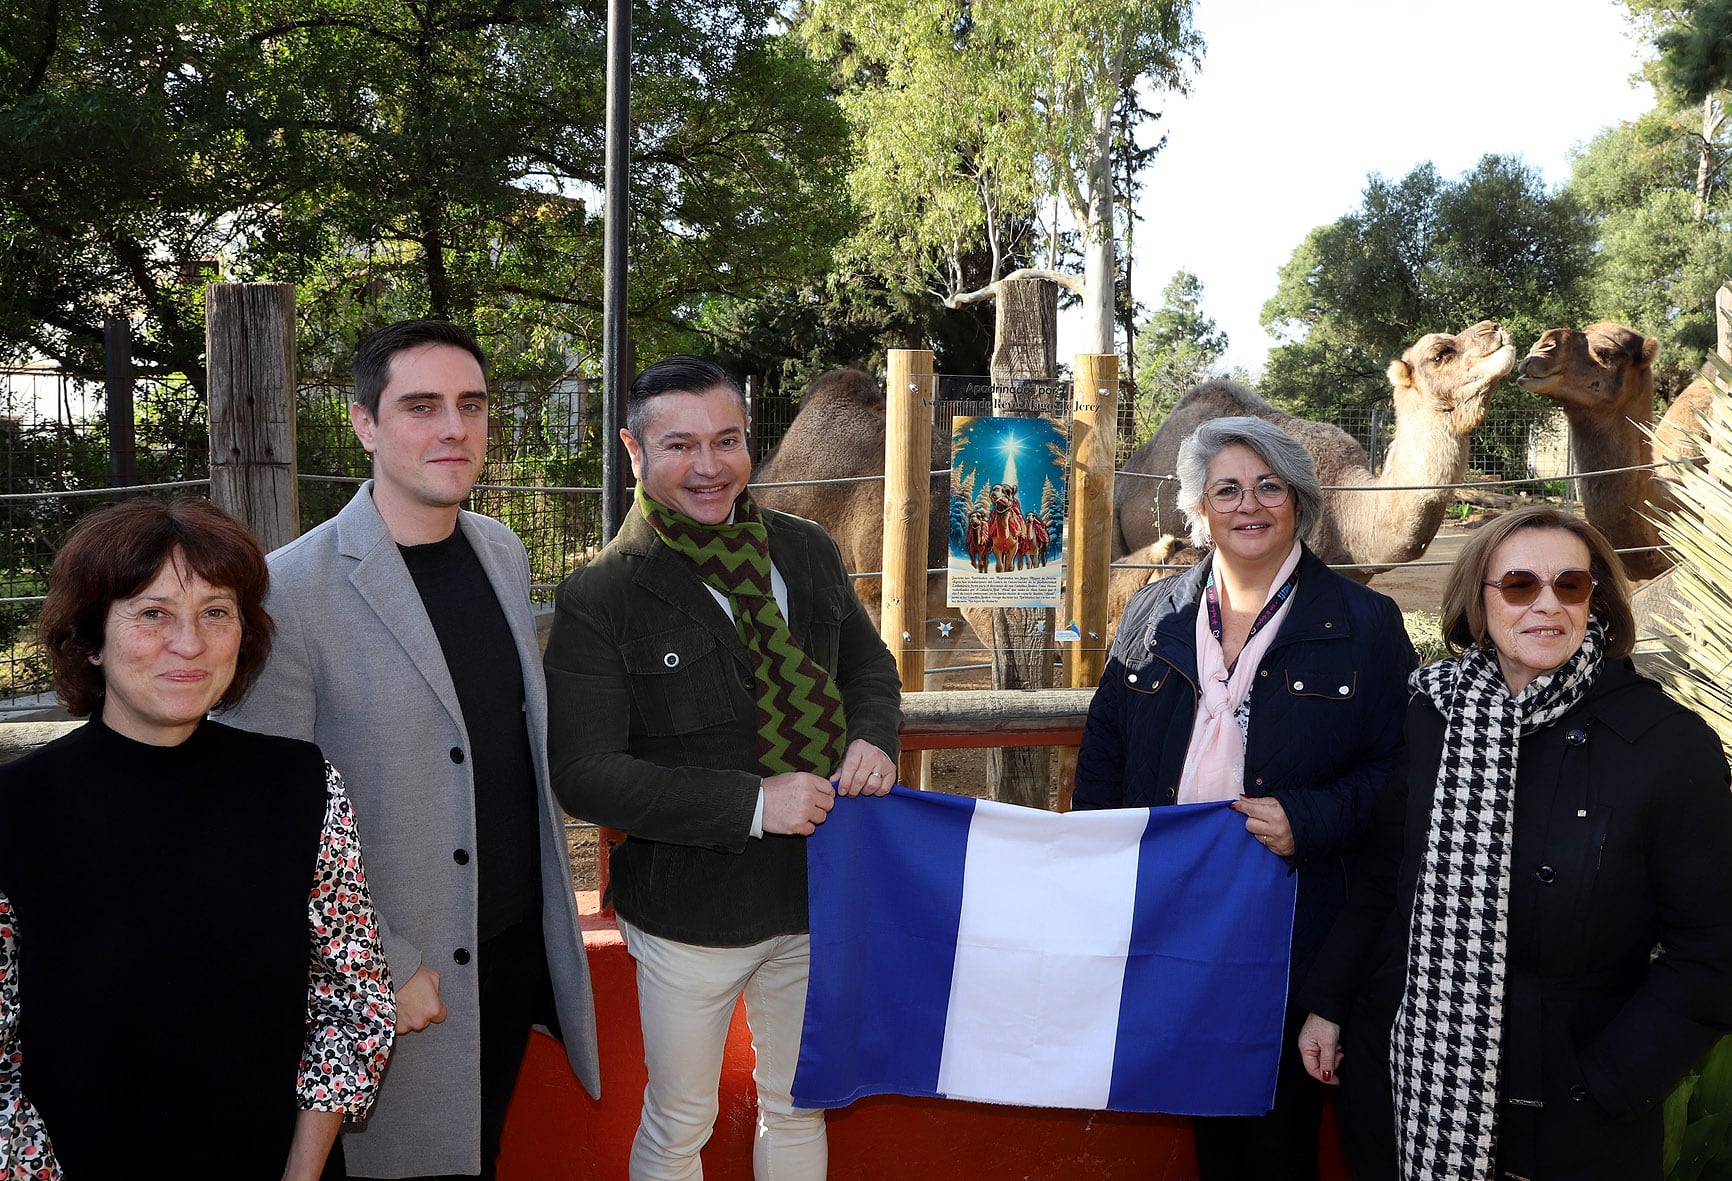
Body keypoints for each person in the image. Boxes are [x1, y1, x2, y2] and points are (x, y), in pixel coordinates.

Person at [225, 319, 600, 1180]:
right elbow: (263, 813)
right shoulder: (290, 587)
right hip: (394, 981)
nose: (453, 428)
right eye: (421, 405)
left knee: (482, 1154)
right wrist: (386, 964)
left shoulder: (500, 549)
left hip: (507, 953)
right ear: (365, 423)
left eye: (471, 405)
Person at [544, 355, 903, 1180]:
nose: (709, 467)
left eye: (727, 441)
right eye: (679, 446)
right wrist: (751, 804)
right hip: (687, 917)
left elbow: (867, 666)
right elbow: (586, 772)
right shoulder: (601, 594)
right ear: (634, 451)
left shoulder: (805, 549)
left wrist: (873, 736)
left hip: (815, 893)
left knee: (798, 1101)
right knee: (680, 1121)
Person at [1297, 505, 1732, 1181]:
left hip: (1573, 1114)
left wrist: (1607, 1085)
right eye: (1521, 584)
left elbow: (1713, 949)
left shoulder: (1668, 744)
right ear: (1480, 600)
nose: (1547, 605)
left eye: (1571, 585)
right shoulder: (1432, 714)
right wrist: (1328, 1003)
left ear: (1599, 599)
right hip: (1407, 1088)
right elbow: (1387, 877)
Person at [0, 497, 394, 1181]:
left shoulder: (302, 787)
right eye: (152, 613)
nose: (190, 642)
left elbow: (351, 1001)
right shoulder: (14, 811)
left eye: (216, 611)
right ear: (90, 638)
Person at [1074, 415, 1416, 1180]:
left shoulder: (1364, 624)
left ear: (1298, 500)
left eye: (1269, 486)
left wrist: (1310, 818)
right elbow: (1105, 755)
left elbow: (1398, 777)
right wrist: (1095, 879)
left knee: (1278, 1138)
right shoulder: (1151, 616)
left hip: (1298, 931)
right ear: (1198, 510)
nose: (1249, 504)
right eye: (1227, 489)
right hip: (1172, 924)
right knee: (1213, 1134)